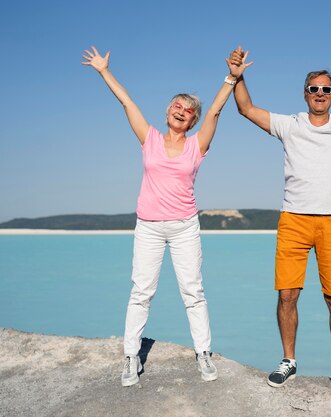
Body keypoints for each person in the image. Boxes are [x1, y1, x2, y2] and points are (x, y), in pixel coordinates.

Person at [227, 47, 331, 405]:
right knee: (287, 294)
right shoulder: (291, 124)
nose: (320, 94)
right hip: (294, 220)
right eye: (314, 89)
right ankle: (289, 359)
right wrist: (238, 76)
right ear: (305, 93)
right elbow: (245, 109)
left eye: (326, 89)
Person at [81, 46, 251, 387]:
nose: (182, 111)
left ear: (193, 121)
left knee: (193, 291)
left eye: (189, 111)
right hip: (148, 227)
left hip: (185, 226)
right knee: (141, 291)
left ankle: (203, 353)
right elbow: (127, 102)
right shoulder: (150, 139)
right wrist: (103, 71)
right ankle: (131, 355)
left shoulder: (197, 145)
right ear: (168, 112)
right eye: (177, 105)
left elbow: (216, 111)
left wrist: (232, 77)